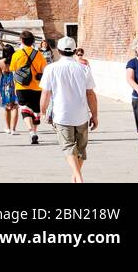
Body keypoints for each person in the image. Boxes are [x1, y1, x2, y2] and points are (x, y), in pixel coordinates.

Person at [40, 37, 99, 183]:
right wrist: (95, 115)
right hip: (81, 114)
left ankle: (77, 177)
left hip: (61, 114)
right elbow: (90, 93)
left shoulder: (50, 69)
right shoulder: (84, 68)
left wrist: (42, 111)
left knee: (68, 147)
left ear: (58, 51)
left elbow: (46, 93)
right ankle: (75, 177)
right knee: (81, 149)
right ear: (74, 51)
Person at [11, 31, 50, 145]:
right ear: (33, 41)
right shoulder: (39, 54)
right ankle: (34, 130)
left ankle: (31, 132)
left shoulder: (17, 54)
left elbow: (13, 70)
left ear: (21, 41)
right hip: (37, 86)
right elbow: (45, 71)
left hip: (21, 86)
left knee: (24, 108)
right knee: (36, 110)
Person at [0, 45, 19, 135]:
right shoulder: (16, 61)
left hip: (4, 86)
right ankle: (13, 129)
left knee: (7, 108)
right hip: (15, 85)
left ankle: (7, 128)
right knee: (15, 107)